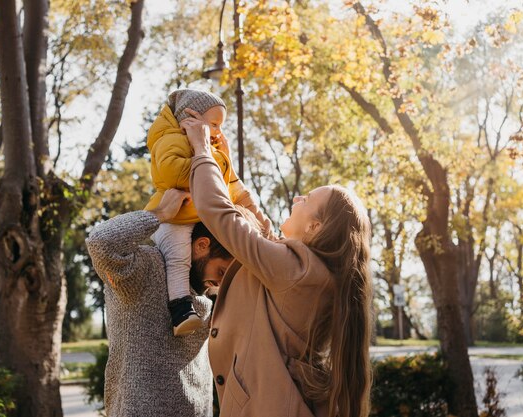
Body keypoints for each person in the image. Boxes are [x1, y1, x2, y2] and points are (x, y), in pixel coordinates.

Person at [181, 108, 374, 417]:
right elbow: (259, 228)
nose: (297, 199)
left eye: (307, 200)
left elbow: (219, 214)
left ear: (315, 227)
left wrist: (202, 149)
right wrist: (226, 171)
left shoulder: (295, 271)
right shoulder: (304, 270)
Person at [85, 189, 232, 417]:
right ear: (201, 246)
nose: (221, 282)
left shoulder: (210, 294)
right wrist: (160, 213)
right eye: (221, 270)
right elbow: (100, 243)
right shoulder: (147, 269)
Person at [144, 88, 243, 336]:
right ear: (189, 118)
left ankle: (214, 302)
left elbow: (223, 186)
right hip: (173, 220)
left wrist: (218, 157)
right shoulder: (171, 139)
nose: (218, 131)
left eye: (221, 126)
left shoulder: (206, 149)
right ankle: (180, 309)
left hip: (191, 218)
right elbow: (171, 173)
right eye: (213, 124)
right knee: (179, 258)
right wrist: (207, 158)